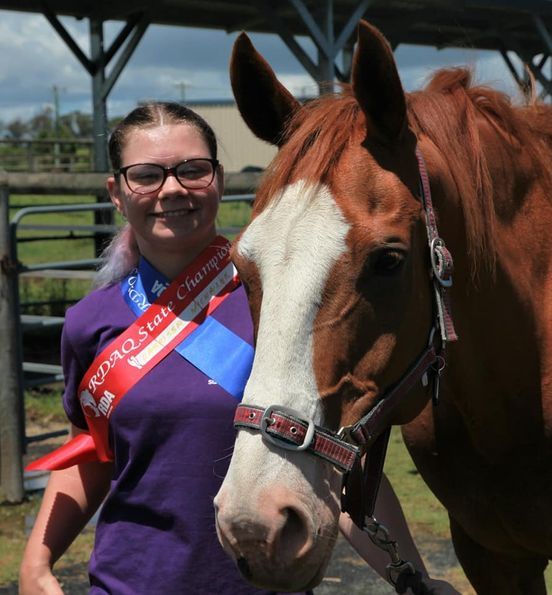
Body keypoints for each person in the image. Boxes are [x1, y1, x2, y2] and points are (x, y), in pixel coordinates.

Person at [19, 101, 457, 595]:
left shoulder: (277, 303)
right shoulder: (90, 322)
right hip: (128, 582)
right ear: (117, 194)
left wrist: (412, 579)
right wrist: (36, 563)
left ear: (219, 181)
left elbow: (334, 463)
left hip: (262, 579)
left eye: (192, 170)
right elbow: (93, 454)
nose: (172, 189)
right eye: (146, 175)